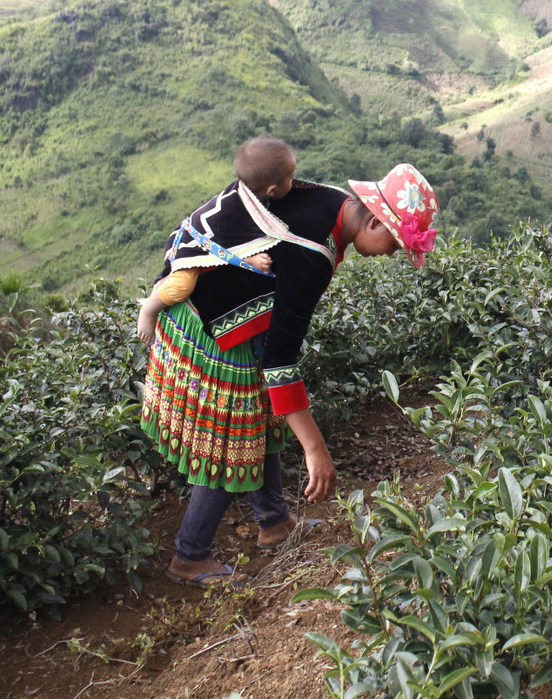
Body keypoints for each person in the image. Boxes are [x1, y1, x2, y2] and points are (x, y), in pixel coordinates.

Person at [140, 163, 439, 587]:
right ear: (373, 220)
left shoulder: (333, 201)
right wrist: (316, 448)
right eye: (395, 243)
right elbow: (282, 359)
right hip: (212, 327)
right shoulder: (312, 252)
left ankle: (274, 521)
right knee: (232, 438)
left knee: (261, 418)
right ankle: (190, 555)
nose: (392, 254)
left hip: (235, 321)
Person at [136, 137, 297, 345]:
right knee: (182, 285)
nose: (293, 183)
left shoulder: (252, 198)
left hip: (208, 243)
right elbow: (220, 247)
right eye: (290, 179)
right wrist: (250, 260)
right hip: (191, 247)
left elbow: (234, 241)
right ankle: (149, 310)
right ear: (272, 190)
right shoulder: (234, 209)